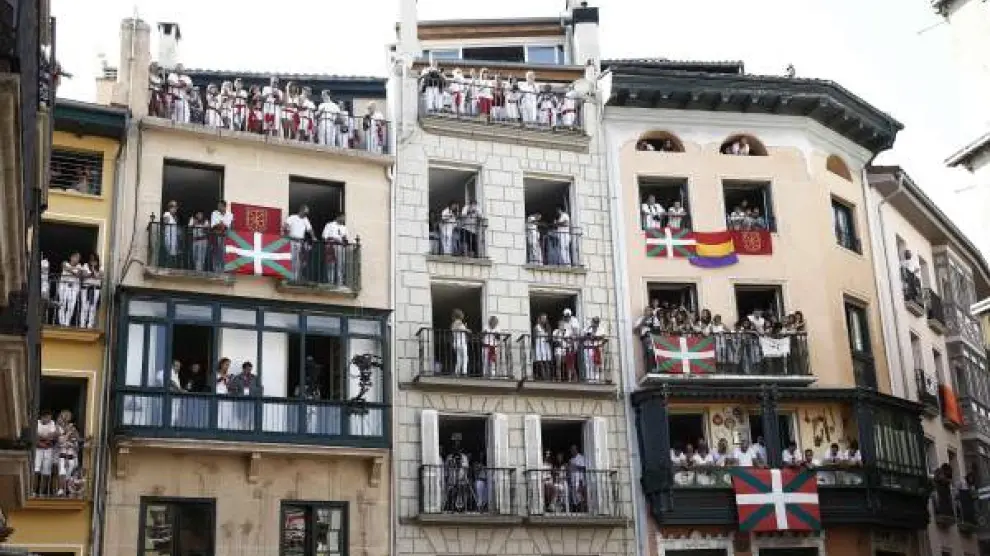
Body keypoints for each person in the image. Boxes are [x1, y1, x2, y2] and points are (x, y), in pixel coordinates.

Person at [283, 205, 316, 281]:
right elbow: (285, 226)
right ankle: (289, 277)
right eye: (305, 212)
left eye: (307, 213)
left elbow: (310, 229)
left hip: (300, 242)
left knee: (298, 261)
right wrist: (286, 234)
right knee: (291, 259)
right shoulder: (292, 217)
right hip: (291, 241)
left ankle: (296, 278)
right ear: (301, 210)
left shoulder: (305, 220)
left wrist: (313, 237)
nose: (306, 214)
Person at [322, 214, 350, 286]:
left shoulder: (344, 227)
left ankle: (340, 282)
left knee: (341, 265)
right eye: (343, 218)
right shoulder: (329, 225)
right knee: (330, 265)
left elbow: (347, 239)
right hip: (331, 246)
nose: (344, 219)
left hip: (341, 247)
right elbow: (324, 236)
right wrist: (334, 238)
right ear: (338, 217)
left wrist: (345, 239)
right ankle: (330, 282)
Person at [35, 410, 58, 494]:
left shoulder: (52, 423)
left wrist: (42, 438)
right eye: (47, 418)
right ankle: (34, 491)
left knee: (46, 471)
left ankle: (42, 492)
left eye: (50, 418)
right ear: (42, 417)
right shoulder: (36, 423)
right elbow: (35, 436)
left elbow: (53, 435)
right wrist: (43, 439)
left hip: (48, 449)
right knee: (36, 470)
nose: (49, 420)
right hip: (38, 449)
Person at [58, 252, 83, 327]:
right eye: (76, 257)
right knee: (62, 304)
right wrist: (74, 270)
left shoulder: (79, 266)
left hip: (74, 287)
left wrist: (70, 270)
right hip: (64, 286)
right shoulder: (65, 262)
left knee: (71, 306)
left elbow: (79, 274)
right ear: (71, 257)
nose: (77, 259)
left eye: (78, 258)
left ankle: (67, 322)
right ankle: (61, 322)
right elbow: (64, 267)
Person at [79, 254, 102, 328]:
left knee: (93, 307)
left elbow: (99, 276)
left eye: (94, 260)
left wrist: (93, 270)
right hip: (86, 288)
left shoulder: (100, 267)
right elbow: (84, 275)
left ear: (97, 261)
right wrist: (92, 274)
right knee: (84, 306)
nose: (93, 262)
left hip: (95, 289)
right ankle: (82, 324)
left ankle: (90, 324)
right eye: (91, 260)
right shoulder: (85, 265)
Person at [210, 200, 233, 272]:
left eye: (219, 206)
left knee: (223, 254)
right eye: (218, 206)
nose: (218, 207)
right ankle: (216, 270)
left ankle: (222, 270)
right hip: (216, 236)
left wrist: (221, 224)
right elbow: (213, 225)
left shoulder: (230, 214)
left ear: (224, 207)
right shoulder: (214, 213)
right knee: (215, 253)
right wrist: (221, 225)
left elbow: (227, 226)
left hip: (225, 237)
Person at [582, 317, 605, 381]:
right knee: (588, 364)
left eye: (596, 322)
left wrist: (594, 337)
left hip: (597, 348)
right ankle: (589, 378)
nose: (595, 324)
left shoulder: (601, 329)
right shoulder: (587, 329)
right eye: (594, 322)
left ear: (598, 323)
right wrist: (588, 335)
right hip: (588, 348)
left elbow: (603, 337)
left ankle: (596, 379)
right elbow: (583, 336)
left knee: (596, 364)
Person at [533, 314, 552, 380]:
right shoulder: (536, 327)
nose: (544, 320)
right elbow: (534, 336)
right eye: (542, 318)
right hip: (539, 344)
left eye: (545, 318)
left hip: (546, 345)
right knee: (540, 362)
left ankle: (548, 377)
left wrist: (547, 338)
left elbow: (550, 336)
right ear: (540, 319)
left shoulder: (548, 327)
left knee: (547, 362)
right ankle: (544, 377)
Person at [567, 445, 587, 512]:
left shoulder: (581, 457)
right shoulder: (571, 460)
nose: (572, 451)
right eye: (571, 450)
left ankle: (582, 511)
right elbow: (569, 470)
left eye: (574, 449)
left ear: (576, 449)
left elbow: (584, 468)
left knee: (580, 497)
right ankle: (577, 511)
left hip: (579, 480)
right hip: (572, 480)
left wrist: (576, 466)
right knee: (574, 498)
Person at [451, 309, 470, 376]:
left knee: (459, 358)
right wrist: (466, 329)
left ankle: (457, 372)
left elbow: (455, 329)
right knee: (465, 357)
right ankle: (464, 371)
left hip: (456, 342)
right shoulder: (458, 322)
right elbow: (458, 329)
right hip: (461, 342)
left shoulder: (454, 323)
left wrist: (465, 328)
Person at [161, 200, 180, 266]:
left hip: (174, 239)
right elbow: (165, 223)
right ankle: (167, 267)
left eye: (176, 207)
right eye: (174, 207)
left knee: (173, 255)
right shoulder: (167, 214)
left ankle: (171, 267)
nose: (175, 209)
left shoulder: (175, 217)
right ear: (170, 208)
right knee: (169, 255)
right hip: (168, 237)